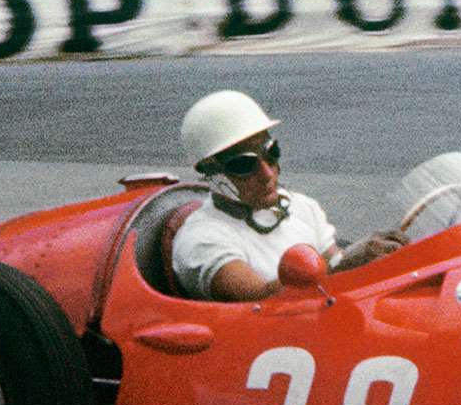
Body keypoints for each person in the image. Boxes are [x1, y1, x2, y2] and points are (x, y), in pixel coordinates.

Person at [171, 92, 403, 302]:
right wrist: (345, 265)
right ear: (211, 173)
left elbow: (335, 261)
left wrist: (370, 254)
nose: (268, 173)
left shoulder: (302, 207)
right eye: (244, 164)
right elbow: (258, 301)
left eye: (271, 152)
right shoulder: (202, 239)